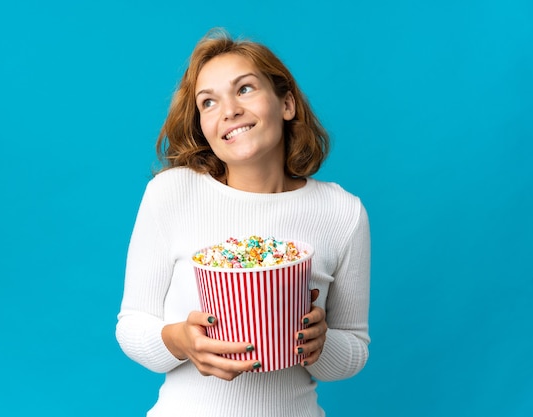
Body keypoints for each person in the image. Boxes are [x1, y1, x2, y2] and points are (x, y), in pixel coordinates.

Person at [115, 27, 371, 417]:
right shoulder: (171, 194)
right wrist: (181, 340)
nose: (229, 110)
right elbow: (131, 326)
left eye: (245, 89)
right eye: (208, 102)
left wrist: (320, 344)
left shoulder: (342, 212)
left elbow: (354, 349)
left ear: (286, 104)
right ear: (202, 125)